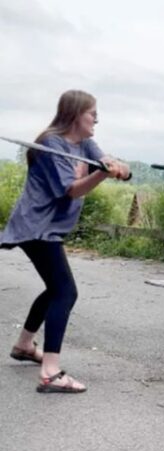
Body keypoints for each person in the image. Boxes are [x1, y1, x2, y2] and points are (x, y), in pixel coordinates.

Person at [2, 89, 130, 393]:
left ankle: (23, 345)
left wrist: (118, 168)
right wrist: (102, 174)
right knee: (66, 292)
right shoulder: (50, 144)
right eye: (92, 113)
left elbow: (104, 159)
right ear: (75, 114)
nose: (97, 118)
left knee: (55, 289)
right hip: (35, 228)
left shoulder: (84, 143)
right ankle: (50, 371)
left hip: (50, 229)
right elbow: (70, 190)